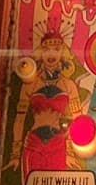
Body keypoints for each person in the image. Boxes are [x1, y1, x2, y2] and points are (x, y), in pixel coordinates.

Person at [17, 32, 81, 174]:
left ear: (62, 53)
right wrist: (15, 155)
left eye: (56, 50)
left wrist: (70, 152)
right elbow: (19, 121)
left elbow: (77, 121)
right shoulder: (30, 85)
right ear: (41, 53)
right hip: (34, 144)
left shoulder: (69, 85)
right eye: (46, 50)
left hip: (58, 143)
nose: (51, 54)